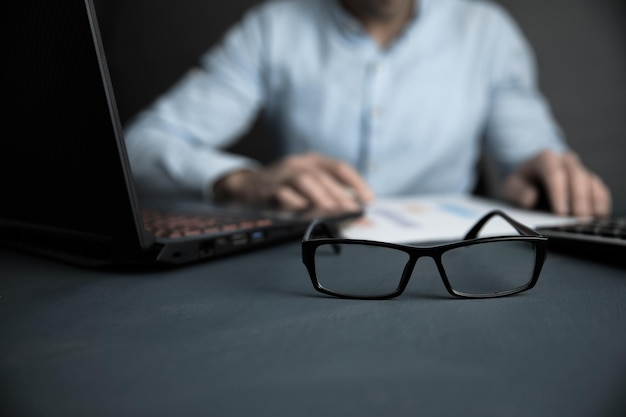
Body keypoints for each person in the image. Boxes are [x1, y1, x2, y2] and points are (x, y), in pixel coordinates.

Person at [124, 0, 612, 217]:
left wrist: (545, 177)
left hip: (450, 279)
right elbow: (138, 148)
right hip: (303, 271)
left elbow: (529, 154)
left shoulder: (487, 31)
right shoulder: (272, 28)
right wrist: (244, 182)